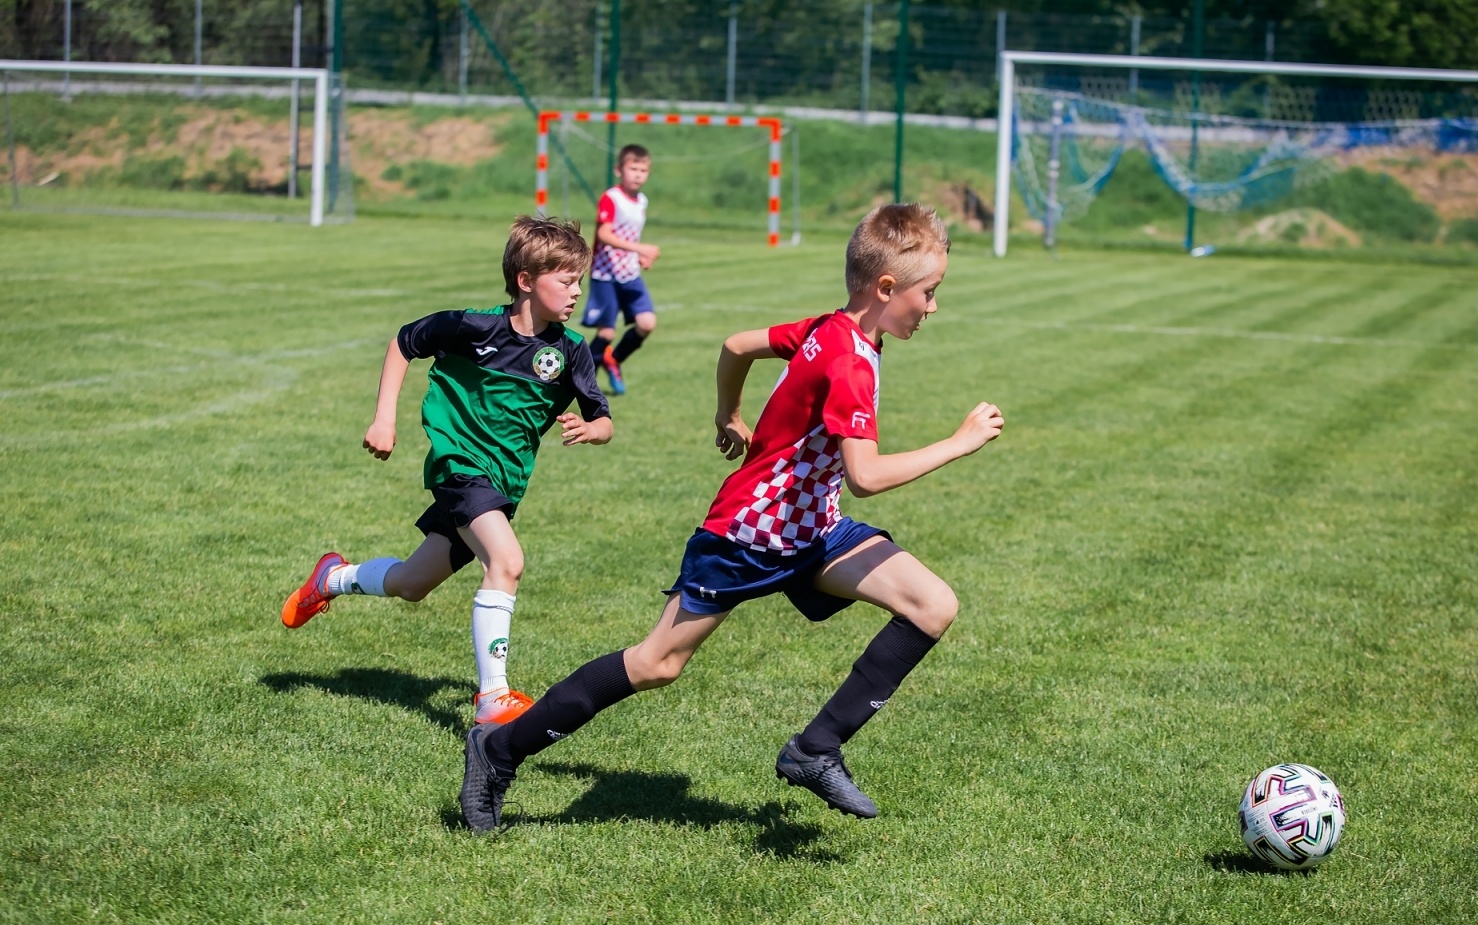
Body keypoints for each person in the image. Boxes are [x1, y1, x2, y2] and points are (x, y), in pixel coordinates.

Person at [459, 203, 1005, 833]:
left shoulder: (834, 328)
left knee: (932, 604)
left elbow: (736, 346)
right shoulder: (849, 361)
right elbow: (867, 475)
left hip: (813, 531)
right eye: (928, 293)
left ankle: (815, 748)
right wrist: (959, 442)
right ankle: (499, 750)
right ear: (885, 288)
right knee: (656, 664)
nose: (933, 306)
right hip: (748, 534)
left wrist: (728, 412)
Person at [280, 216, 613, 728]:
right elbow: (404, 342)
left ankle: (333, 577)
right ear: (526, 280)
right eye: (566, 281)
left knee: (412, 583)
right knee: (507, 561)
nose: (577, 292)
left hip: (503, 484)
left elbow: (603, 419)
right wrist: (384, 419)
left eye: (579, 282)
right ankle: (493, 696)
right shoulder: (473, 328)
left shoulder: (570, 351)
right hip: (461, 468)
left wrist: (593, 429)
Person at [581, 144, 660, 395]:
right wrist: (639, 248)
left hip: (629, 274)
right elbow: (604, 235)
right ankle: (581, 381)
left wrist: (640, 257)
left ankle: (613, 359)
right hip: (605, 274)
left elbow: (630, 235)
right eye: (633, 168)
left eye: (643, 170)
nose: (638, 174)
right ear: (619, 170)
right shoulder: (611, 198)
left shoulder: (642, 201)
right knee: (606, 332)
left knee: (647, 323)